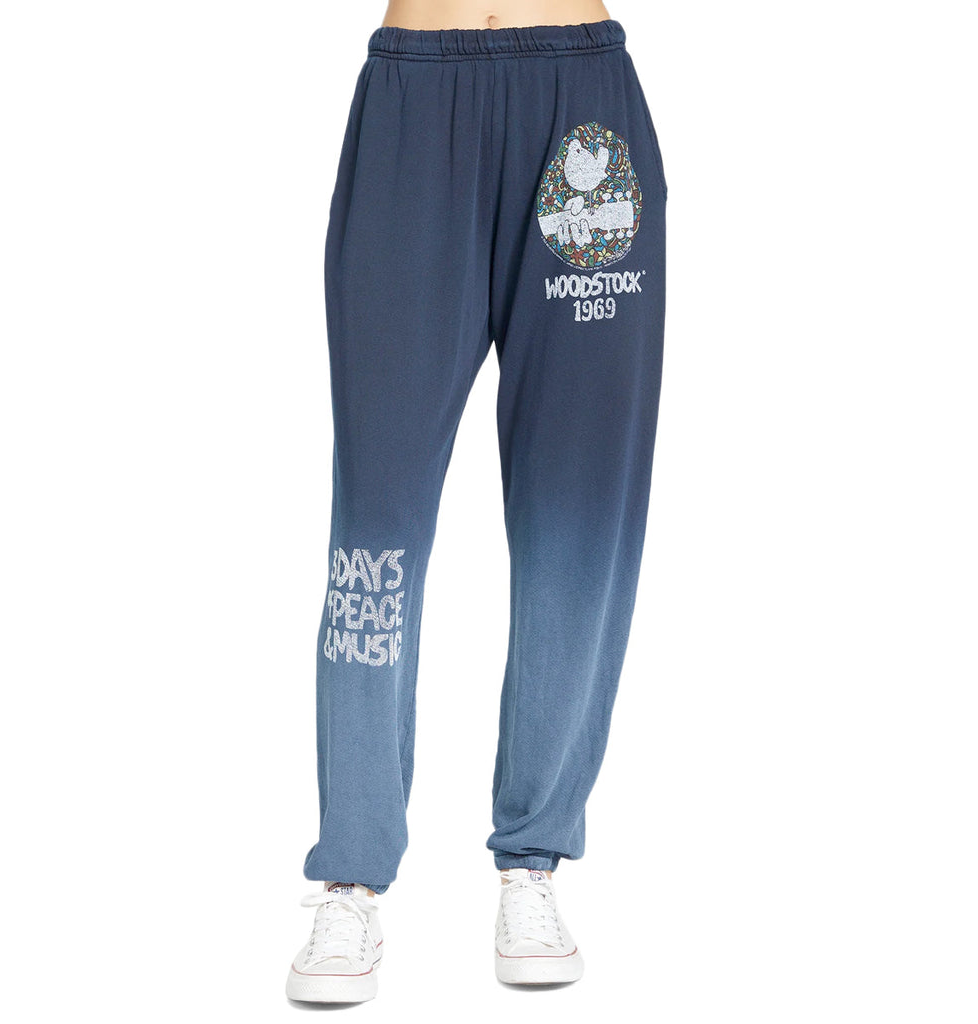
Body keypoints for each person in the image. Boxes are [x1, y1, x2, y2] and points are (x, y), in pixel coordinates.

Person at [286, 0, 667, 1003]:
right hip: (413, 105)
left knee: (578, 504)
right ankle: (351, 873)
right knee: (376, 520)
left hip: (582, 110)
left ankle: (533, 862)